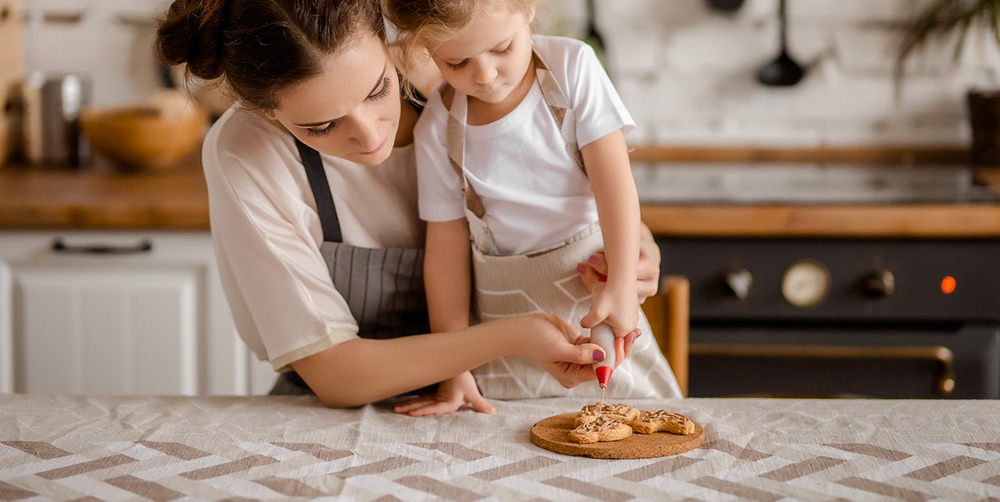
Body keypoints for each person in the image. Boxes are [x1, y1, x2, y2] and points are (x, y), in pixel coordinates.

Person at [154, 0, 668, 415]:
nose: (369, 132)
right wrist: (509, 338)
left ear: (387, 37)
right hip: (336, 416)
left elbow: (557, 182)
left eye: (378, 89)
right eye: (322, 126)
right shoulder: (245, 153)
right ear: (267, 110)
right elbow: (335, 376)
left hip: (490, 398)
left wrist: (631, 251)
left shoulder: (455, 65)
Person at [382, 0, 682, 401]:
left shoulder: (572, 67)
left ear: (527, 10)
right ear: (427, 51)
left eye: (502, 49)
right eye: (457, 64)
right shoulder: (437, 127)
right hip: (504, 333)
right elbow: (446, 254)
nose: (485, 75)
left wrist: (623, 284)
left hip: (594, 299)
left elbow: (615, 186)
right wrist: (453, 368)